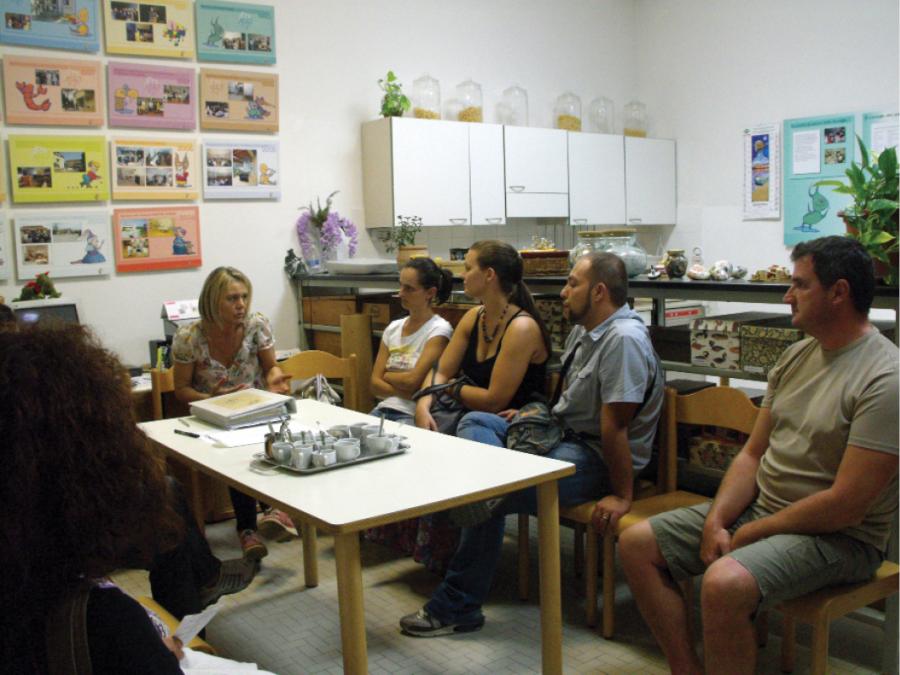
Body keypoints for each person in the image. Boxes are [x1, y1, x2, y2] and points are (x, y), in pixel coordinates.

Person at [619, 236, 899, 675]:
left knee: (724, 582)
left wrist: (753, 532)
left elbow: (848, 504)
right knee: (636, 543)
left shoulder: (886, 378)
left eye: (800, 285)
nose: (787, 296)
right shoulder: (795, 355)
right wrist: (717, 520)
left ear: (839, 292)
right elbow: (752, 454)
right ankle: (685, 668)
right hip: (766, 512)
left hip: (842, 539)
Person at [400, 251, 664, 636]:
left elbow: (615, 430)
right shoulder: (587, 330)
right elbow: (566, 402)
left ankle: (457, 606)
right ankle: (482, 487)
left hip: (596, 457)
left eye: (573, 283)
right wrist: (530, 416)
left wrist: (623, 494)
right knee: (477, 421)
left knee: (489, 493)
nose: (563, 292)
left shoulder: (623, 340)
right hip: (559, 435)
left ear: (599, 292)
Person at [0, 323, 262, 674]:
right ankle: (203, 583)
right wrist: (153, 651)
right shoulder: (99, 624)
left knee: (168, 500)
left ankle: (204, 580)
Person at [173, 266, 295, 561]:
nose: (241, 305)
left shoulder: (257, 325)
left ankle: (272, 512)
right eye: (232, 299)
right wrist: (210, 398)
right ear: (213, 301)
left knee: (281, 434)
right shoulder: (189, 336)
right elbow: (181, 390)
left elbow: (271, 367)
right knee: (235, 453)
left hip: (253, 408)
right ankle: (251, 526)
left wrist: (276, 377)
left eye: (243, 297)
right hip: (211, 415)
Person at [414, 240, 551, 433]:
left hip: (513, 422)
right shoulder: (474, 316)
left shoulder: (521, 327)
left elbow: (493, 401)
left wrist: (450, 387)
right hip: (468, 412)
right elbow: (441, 371)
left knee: (471, 424)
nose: (462, 275)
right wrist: (423, 404)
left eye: (468, 268)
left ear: (489, 275)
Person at [370, 257, 454, 425]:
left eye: (409, 288)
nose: (401, 293)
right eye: (400, 285)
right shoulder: (393, 328)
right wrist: (406, 387)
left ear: (430, 293)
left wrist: (387, 375)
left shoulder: (439, 331)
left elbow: (413, 382)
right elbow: (374, 384)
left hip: (410, 414)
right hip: (381, 409)